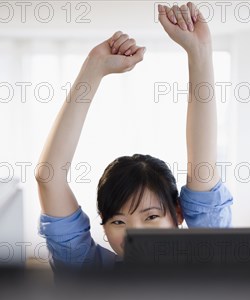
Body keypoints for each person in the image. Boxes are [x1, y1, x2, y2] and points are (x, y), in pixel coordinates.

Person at [37, 2, 234, 271]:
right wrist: (93, 67)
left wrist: (199, 52)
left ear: (178, 214)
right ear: (104, 227)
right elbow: (48, 177)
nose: (134, 233)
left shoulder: (205, 257)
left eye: (151, 216)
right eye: (118, 221)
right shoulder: (90, 270)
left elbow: (203, 169)